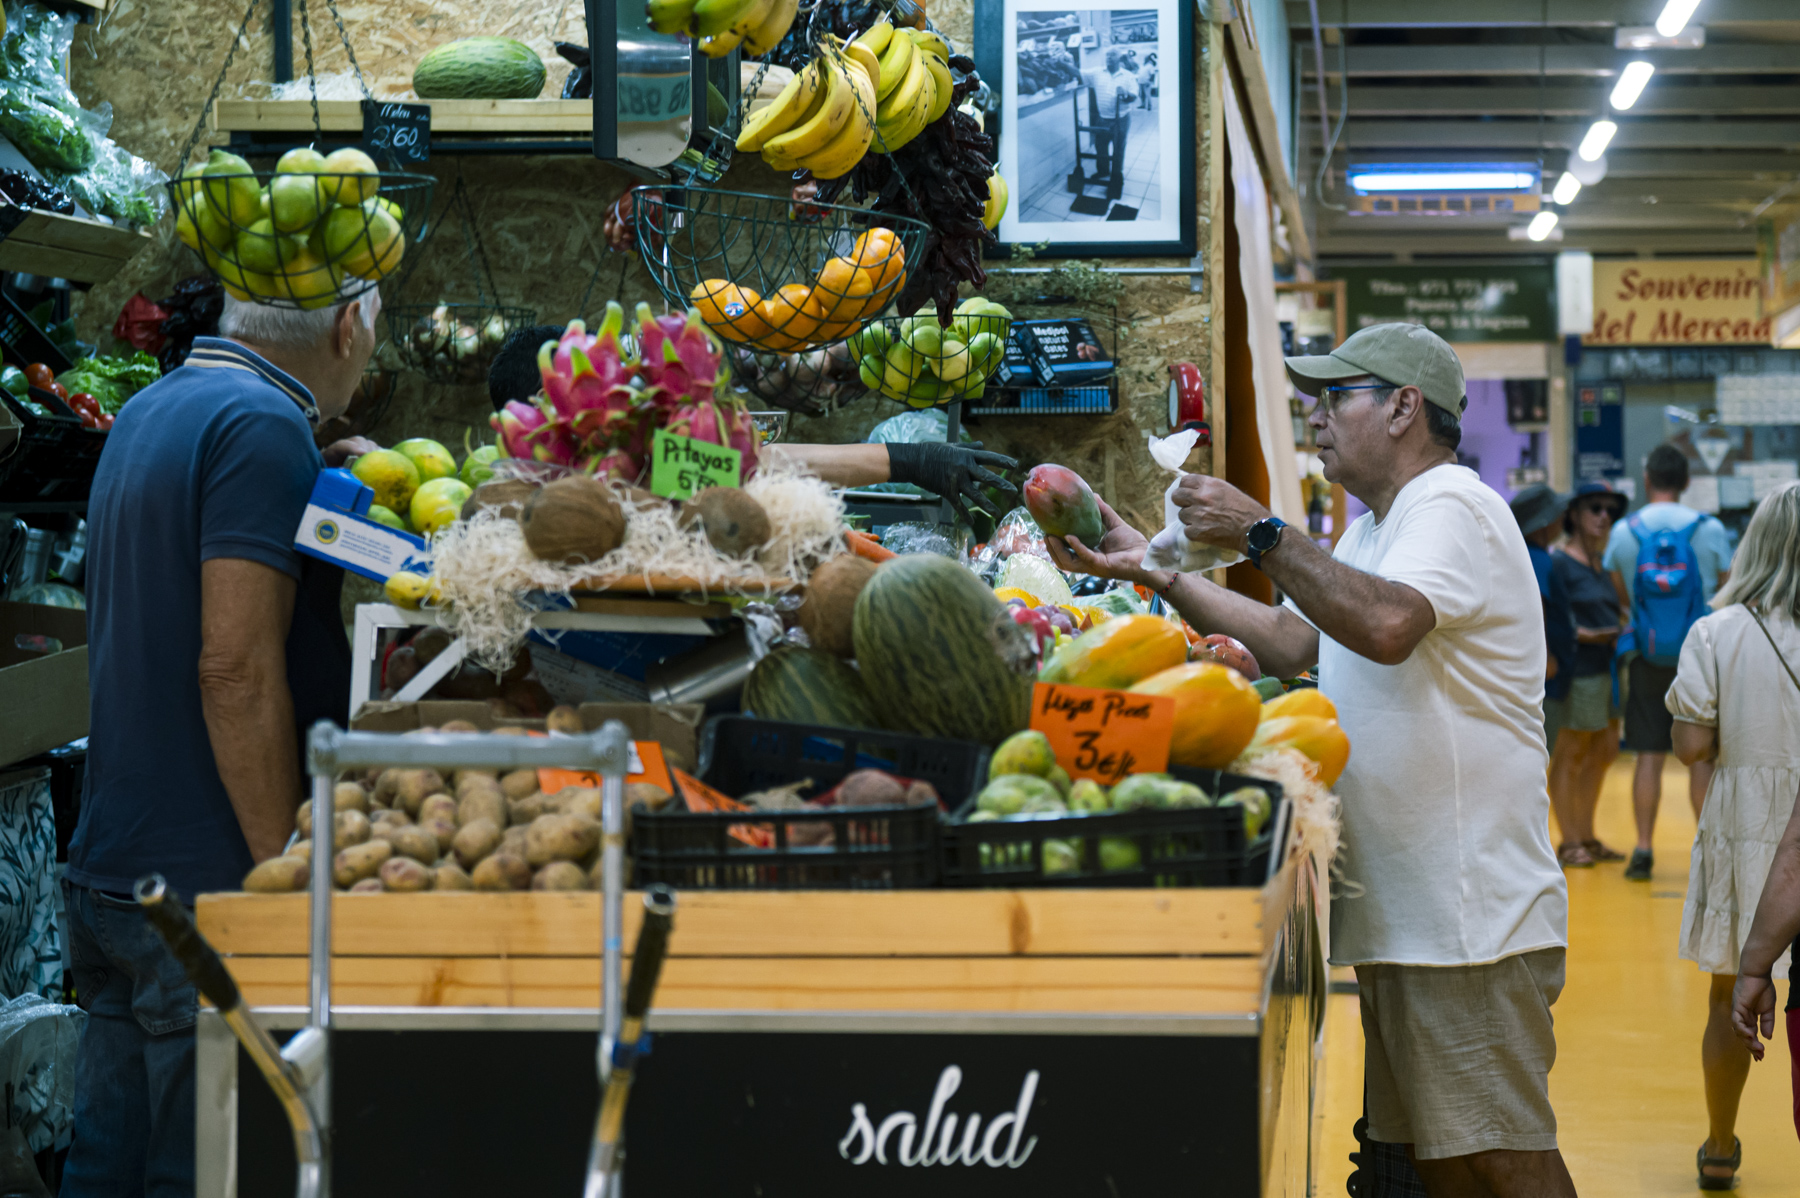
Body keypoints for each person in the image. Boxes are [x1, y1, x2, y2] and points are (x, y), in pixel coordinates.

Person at [1045, 322, 1573, 1197]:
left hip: (1469, 917)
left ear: (1405, 407)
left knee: (1499, 1155)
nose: (1315, 416)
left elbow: (1390, 626)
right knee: (1439, 1164)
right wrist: (1156, 568)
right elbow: (1296, 641)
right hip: (1422, 917)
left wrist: (1260, 530)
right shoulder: (1379, 528)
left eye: (1336, 398)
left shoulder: (1452, 504)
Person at [63, 290, 381, 1195]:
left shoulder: (154, 406)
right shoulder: (262, 424)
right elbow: (232, 672)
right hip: (206, 896)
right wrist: (282, 873)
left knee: (104, 1172)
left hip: (113, 870)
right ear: (346, 326)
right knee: (195, 1177)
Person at [485, 322, 1020, 521]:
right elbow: (750, 468)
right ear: (540, 408)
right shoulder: (506, 505)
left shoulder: (639, 456)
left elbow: (757, 464)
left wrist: (910, 459)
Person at [1664, 481, 1800, 1187]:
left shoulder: (1715, 631)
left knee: (1730, 993)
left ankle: (1720, 1144)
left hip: (1748, 825)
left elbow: (1691, 748)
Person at [1606, 443, 1732, 880]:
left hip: (1646, 654)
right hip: (1702, 658)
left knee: (1648, 754)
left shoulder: (1625, 531)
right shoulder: (1710, 529)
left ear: (1647, 480)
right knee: (1703, 757)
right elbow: (1725, 592)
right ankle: (1708, 851)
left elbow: (1621, 593)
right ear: (1686, 483)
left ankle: (1642, 849)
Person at [1546, 482, 1628, 867]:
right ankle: (1569, 840)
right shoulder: (1561, 562)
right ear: (1574, 515)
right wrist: (1591, 634)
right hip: (1578, 671)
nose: (1604, 517)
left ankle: (1587, 835)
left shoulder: (1601, 566)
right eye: (1595, 508)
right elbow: (1551, 620)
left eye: (1610, 510)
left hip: (1608, 670)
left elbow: (1616, 608)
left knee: (1603, 752)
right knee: (1572, 752)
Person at [1511, 483, 1577, 755]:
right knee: (1540, 753)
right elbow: (1536, 604)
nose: (1562, 519)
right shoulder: (1537, 559)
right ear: (1543, 524)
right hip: (1544, 679)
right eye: (1557, 514)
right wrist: (1546, 656)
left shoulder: (1527, 555)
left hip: (1538, 674)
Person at [1080, 48, 1137, 181]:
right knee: (1100, 145)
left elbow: (1133, 96)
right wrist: (1062, 64)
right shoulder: (1097, 72)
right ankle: (1103, 171)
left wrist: (1125, 94)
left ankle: (1117, 173)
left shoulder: (1128, 76)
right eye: (1107, 55)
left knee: (1118, 147)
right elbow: (1079, 73)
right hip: (1103, 118)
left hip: (1121, 118)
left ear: (1119, 58)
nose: (1109, 57)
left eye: (1113, 55)